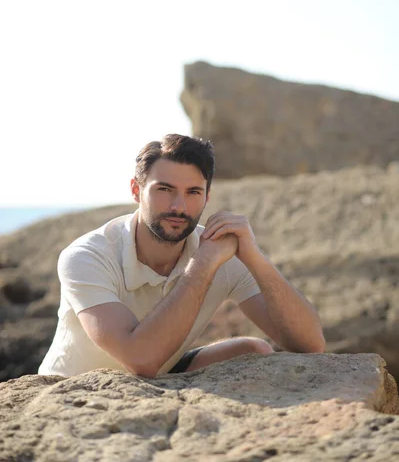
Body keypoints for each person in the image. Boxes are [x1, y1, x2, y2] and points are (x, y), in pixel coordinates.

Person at [39, 134, 325, 378]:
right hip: (71, 391)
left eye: (193, 192)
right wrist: (202, 265)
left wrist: (255, 257)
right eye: (165, 189)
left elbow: (310, 344)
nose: (179, 206)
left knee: (252, 351)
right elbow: (140, 359)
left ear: (207, 197)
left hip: (159, 377)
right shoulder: (87, 256)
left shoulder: (219, 249)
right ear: (136, 190)